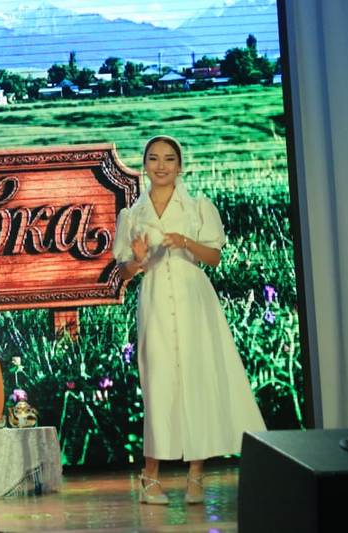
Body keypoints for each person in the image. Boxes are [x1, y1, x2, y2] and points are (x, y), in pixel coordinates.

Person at [113, 136, 266, 505]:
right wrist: (138, 259)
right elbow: (125, 271)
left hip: (193, 297)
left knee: (197, 380)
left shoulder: (197, 207)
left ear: (179, 166)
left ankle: (196, 475)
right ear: (144, 164)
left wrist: (185, 241)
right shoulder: (132, 215)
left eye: (169, 159)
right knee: (158, 383)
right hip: (154, 299)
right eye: (153, 159)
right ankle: (150, 477)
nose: (161, 166)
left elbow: (213, 257)